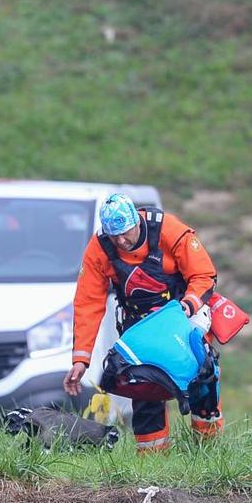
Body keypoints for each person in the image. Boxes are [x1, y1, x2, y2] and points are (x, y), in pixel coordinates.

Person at [64, 193, 222, 452]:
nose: (122, 241)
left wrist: (190, 303)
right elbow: (88, 303)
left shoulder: (168, 229)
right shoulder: (100, 248)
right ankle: (152, 463)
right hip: (140, 328)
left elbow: (203, 273)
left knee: (202, 377)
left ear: (137, 222)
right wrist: (81, 360)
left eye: (126, 233)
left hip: (182, 317)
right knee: (145, 390)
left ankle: (209, 452)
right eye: (114, 237)